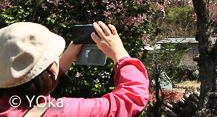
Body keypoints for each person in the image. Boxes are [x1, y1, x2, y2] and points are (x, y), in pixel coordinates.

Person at [0, 21, 149, 117]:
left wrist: (64, 61)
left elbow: (31, 92)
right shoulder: (63, 111)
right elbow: (130, 101)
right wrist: (120, 54)